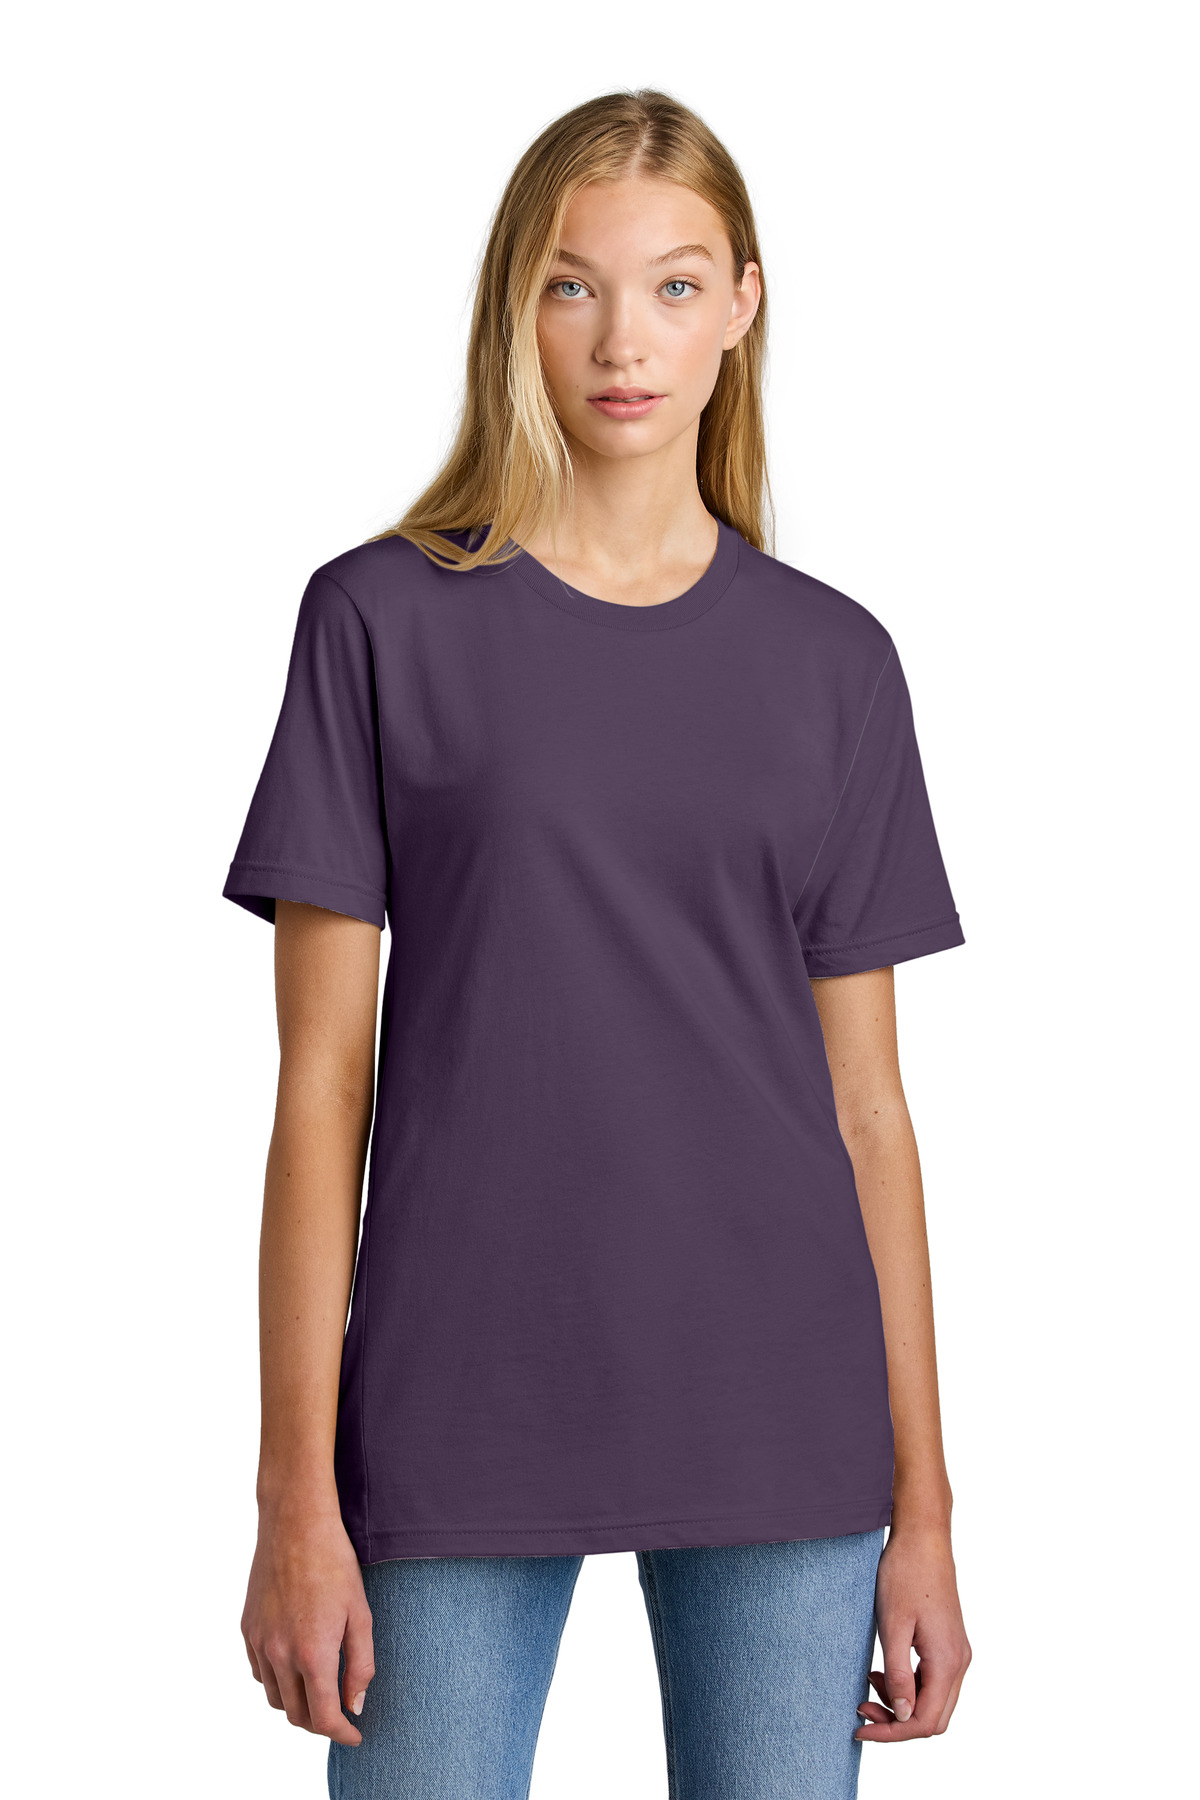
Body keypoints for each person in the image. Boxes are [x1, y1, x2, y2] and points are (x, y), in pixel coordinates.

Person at [222, 88, 972, 1800]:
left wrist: (925, 1510)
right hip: (453, 1404)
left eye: (675, 286)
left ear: (743, 307)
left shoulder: (835, 663)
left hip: (780, 1407)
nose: (625, 340)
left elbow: (870, 1115)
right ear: (517, 306)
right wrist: (292, 1497)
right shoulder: (377, 621)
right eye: (573, 286)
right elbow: (320, 1090)